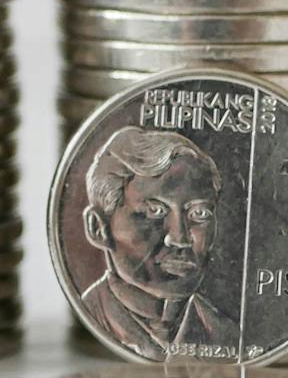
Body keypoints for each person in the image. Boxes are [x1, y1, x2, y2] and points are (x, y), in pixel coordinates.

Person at [78, 127, 239, 359]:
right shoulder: (90, 320)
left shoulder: (227, 334)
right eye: (155, 211)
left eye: (200, 213)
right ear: (98, 228)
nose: (180, 239)